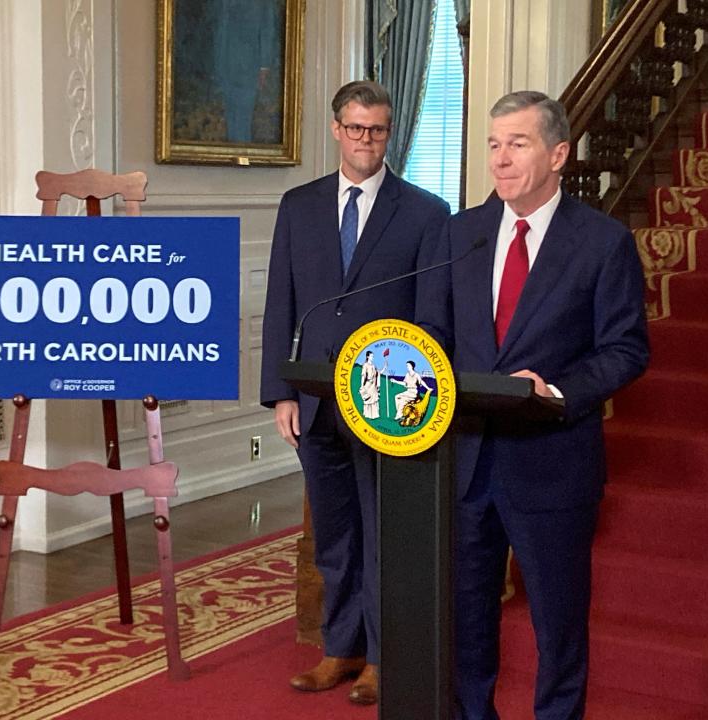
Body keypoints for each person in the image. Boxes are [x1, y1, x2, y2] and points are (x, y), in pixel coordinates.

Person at [416, 91, 649, 719]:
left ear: (559, 154)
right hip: (464, 460)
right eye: (493, 144)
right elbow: (432, 333)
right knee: (466, 618)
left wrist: (558, 390)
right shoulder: (458, 234)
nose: (500, 159)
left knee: (558, 622)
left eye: (517, 144)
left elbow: (626, 349)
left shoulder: (603, 243)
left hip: (552, 462)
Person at [260, 80, 450, 706]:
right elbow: (280, 305)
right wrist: (280, 392)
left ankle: (381, 657)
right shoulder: (299, 205)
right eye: (356, 128)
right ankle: (338, 648)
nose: (367, 140)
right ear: (337, 129)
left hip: (388, 404)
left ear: (388, 133)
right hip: (312, 403)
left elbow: (431, 322)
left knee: (380, 536)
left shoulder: (425, 212)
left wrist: (418, 402)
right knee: (334, 536)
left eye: (378, 130)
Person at [359, 350, 381, 419]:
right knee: (368, 399)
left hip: (373, 385)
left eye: (373, 356)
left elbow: (378, 373)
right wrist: (362, 385)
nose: (372, 357)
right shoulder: (365, 365)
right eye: (371, 356)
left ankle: (374, 415)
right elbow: (363, 375)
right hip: (368, 384)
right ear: (367, 356)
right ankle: (367, 415)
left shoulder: (374, 366)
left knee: (374, 399)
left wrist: (385, 367)